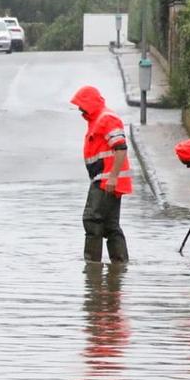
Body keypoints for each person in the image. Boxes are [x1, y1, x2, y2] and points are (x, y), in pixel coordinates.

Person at [70, 85, 132, 263]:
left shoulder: (107, 119)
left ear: (90, 103)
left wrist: (112, 177)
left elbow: (120, 148)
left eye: (81, 105)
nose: (80, 109)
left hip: (106, 181)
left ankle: (92, 268)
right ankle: (119, 267)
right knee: (110, 225)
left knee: (92, 220)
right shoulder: (98, 119)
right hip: (106, 180)